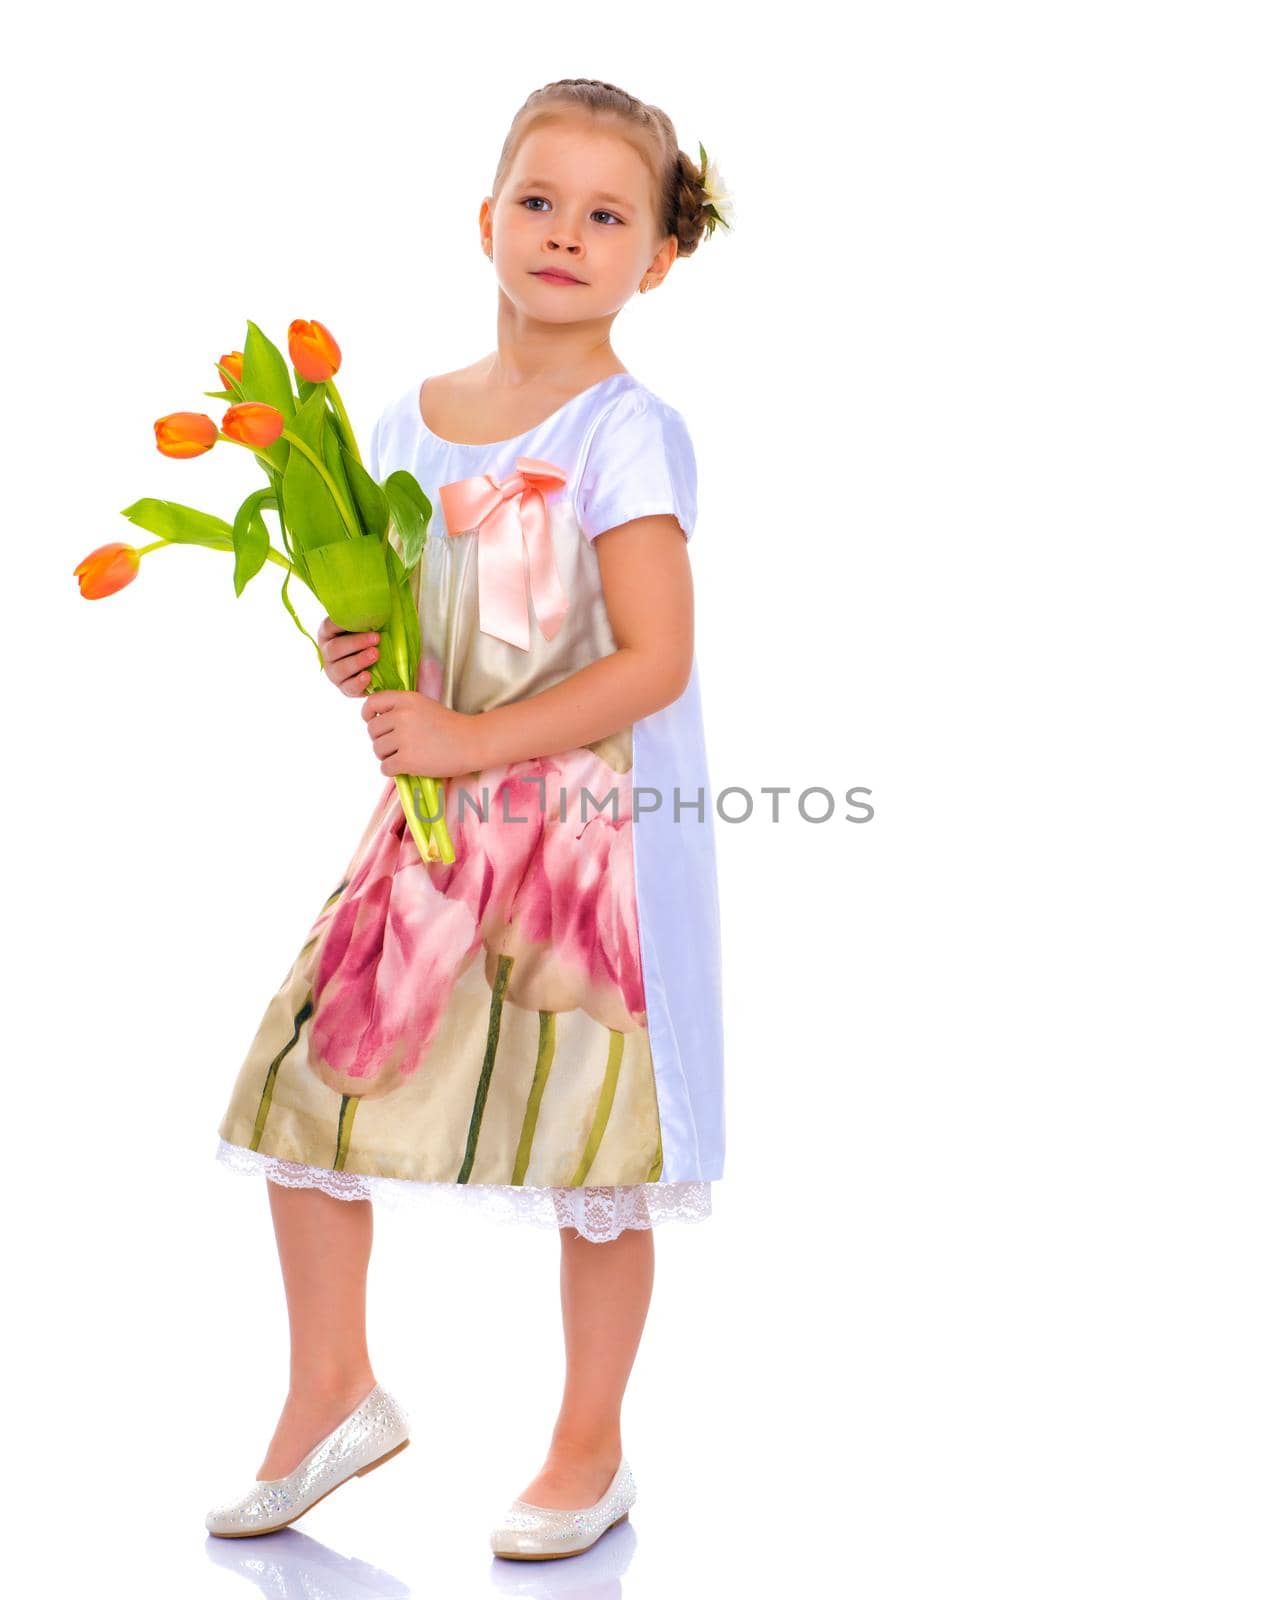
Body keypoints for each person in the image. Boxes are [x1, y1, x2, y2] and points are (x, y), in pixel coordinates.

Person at [205, 78, 731, 1561]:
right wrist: (358, 653)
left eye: (608, 215)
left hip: (587, 843)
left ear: (658, 259)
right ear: (485, 221)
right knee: (302, 1084)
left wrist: (468, 732)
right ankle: (331, 1389)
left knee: (599, 1147)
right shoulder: (407, 421)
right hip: (440, 828)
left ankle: (590, 1443)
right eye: (539, 202)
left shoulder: (630, 432)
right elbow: (420, 631)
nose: (566, 235)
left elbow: (653, 661)